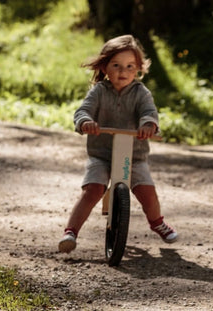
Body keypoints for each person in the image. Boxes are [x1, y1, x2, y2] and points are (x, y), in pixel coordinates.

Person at [58, 35, 178, 254]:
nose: (123, 71)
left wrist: (148, 125)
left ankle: (157, 222)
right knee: (92, 189)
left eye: (130, 66)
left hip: (134, 154)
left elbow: (149, 112)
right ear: (105, 67)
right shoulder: (99, 92)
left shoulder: (141, 93)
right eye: (116, 65)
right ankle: (71, 232)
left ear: (138, 69)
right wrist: (86, 122)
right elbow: (83, 110)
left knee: (147, 190)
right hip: (101, 154)